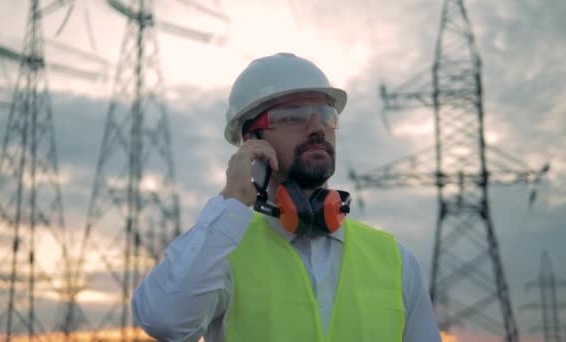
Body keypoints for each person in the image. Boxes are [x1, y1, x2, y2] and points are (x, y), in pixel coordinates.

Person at [132, 52, 441, 342]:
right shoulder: (221, 251)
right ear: (251, 140)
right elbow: (164, 320)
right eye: (293, 117)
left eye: (325, 115)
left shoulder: (395, 260)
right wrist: (231, 201)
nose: (317, 128)